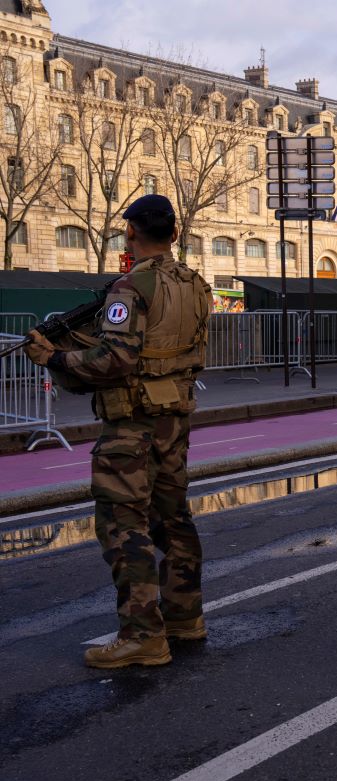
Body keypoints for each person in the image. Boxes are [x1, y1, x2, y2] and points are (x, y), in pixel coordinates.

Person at [24, 194, 211, 669]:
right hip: (174, 417)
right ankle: (184, 617)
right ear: (174, 233)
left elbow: (116, 360)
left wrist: (55, 357)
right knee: (174, 518)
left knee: (122, 526)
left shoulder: (129, 289)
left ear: (131, 232)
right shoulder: (195, 284)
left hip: (132, 423)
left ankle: (142, 634)